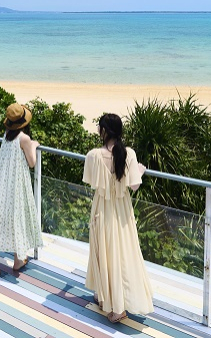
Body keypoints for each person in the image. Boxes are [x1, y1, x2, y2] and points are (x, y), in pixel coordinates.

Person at [83, 113, 154, 323]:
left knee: (103, 250)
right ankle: (116, 302)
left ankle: (107, 299)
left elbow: (93, 182)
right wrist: (139, 171)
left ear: (104, 131)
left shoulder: (94, 155)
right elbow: (134, 185)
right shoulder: (128, 153)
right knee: (123, 252)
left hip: (102, 207)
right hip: (122, 209)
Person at [0, 103, 44, 275]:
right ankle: (14, 259)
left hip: (3, 180)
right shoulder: (24, 138)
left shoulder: (7, 135)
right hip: (16, 183)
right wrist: (33, 145)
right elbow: (32, 163)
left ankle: (10, 259)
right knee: (16, 215)